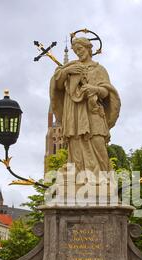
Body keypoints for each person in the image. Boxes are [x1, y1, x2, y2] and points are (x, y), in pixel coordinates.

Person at [50, 36, 121, 180]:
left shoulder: (99, 69)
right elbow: (57, 86)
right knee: (75, 142)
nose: (78, 53)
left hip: (93, 110)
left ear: (88, 48)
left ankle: (102, 178)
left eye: (80, 49)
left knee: (98, 142)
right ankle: (79, 177)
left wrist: (94, 89)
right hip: (74, 112)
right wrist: (66, 71)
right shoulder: (70, 66)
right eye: (76, 51)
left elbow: (106, 91)